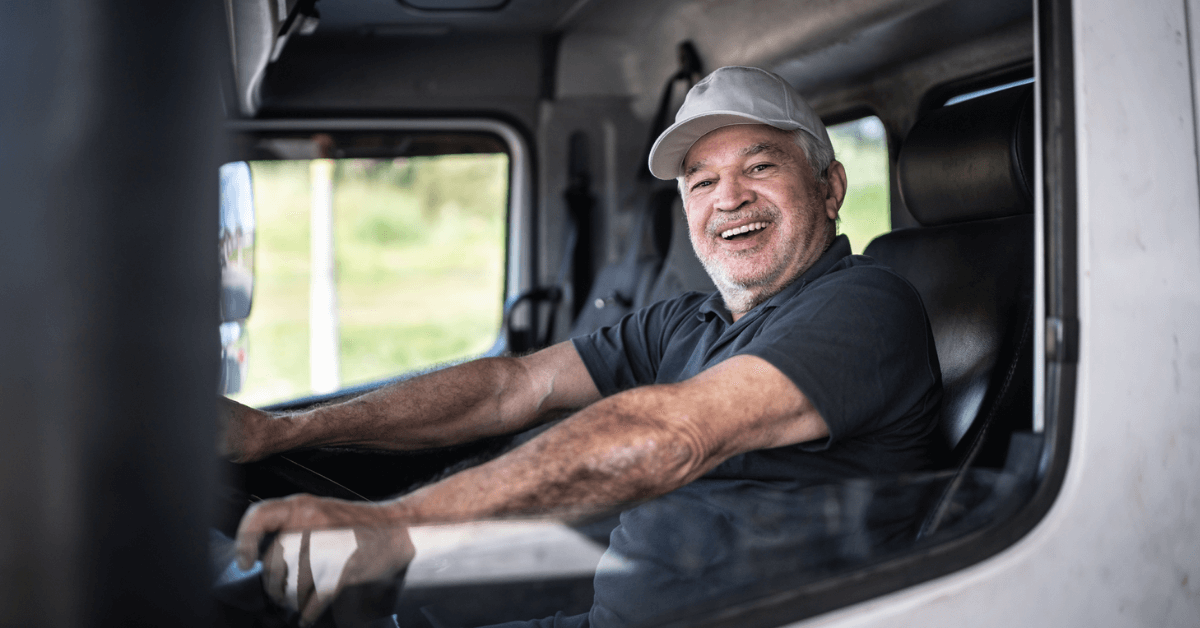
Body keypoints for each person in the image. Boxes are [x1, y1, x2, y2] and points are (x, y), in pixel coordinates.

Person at [220, 66, 943, 627]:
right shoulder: (685, 323)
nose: (728, 199)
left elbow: (674, 434)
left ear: (830, 186)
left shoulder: (866, 305)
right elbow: (512, 388)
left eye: (760, 167)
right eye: (702, 181)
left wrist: (399, 526)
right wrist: (281, 430)